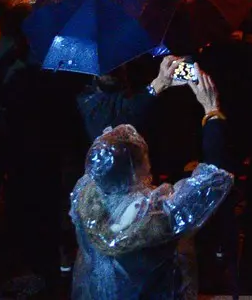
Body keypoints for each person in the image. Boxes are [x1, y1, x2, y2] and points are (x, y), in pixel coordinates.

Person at [69, 68, 232, 300]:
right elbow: (214, 179)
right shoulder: (156, 216)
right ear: (137, 168)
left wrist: (158, 84)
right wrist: (212, 110)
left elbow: (111, 142)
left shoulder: (85, 195)